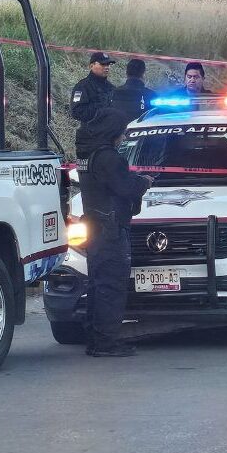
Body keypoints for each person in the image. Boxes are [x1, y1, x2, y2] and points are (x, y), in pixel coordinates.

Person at [76, 108, 154, 357]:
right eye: (121, 132)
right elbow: (124, 187)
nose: (123, 136)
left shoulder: (88, 153)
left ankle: (96, 339)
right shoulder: (109, 157)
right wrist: (143, 182)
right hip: (110, 229)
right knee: (111, 287)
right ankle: (106, 343)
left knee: (98, 286)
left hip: (95, 226)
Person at [70, 52, 116, 122]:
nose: (107, 67)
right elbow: (77, 112)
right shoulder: (82, 87)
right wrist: (101, 108)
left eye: (108, 64)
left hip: (109, 130)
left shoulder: (111, 87)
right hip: (91, 131)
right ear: (91, 66)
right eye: (103, 64)